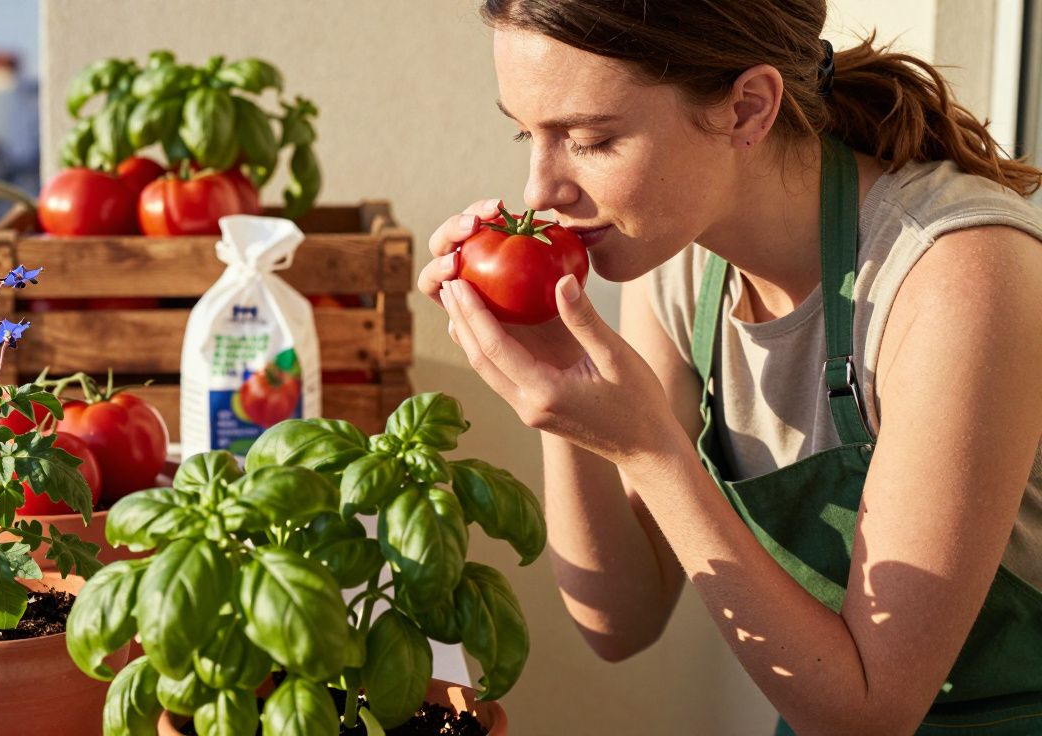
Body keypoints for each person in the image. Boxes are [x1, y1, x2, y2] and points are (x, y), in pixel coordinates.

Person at [417, 2, 1042, 734]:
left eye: (588, 141)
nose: (538, 191)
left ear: (747, 108)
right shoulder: (680, 256)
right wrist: (555, 366)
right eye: (528, 132)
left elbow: (872, 714)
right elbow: (620, 620)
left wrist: (651, 451)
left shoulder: (954, 274)